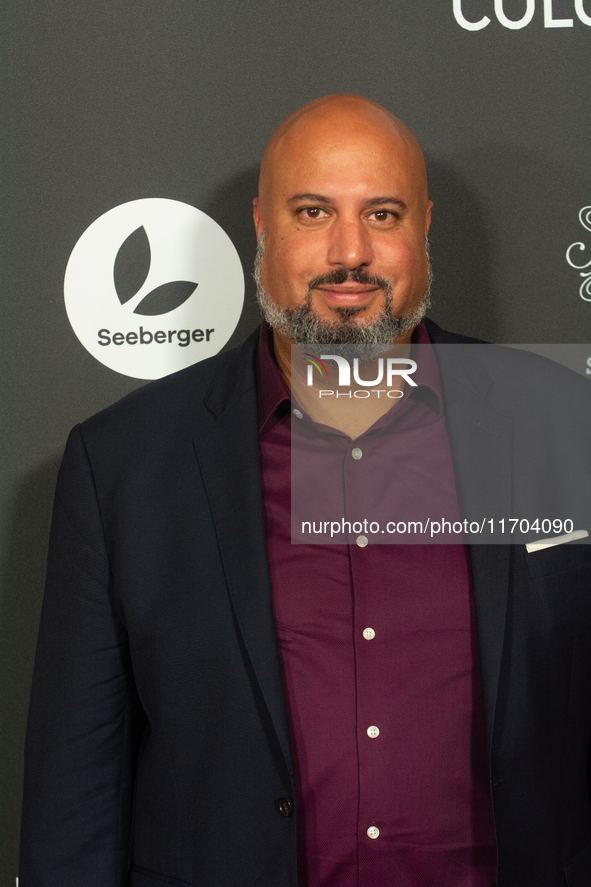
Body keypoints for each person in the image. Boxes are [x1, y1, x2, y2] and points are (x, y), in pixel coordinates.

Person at [19, 95, 591, 887]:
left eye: (381, 214)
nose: (349, 252)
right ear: (262, 225)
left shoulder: (560, 422)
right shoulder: (122, 465)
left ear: (423, 226)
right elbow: (73, 806)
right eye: (313, 211)